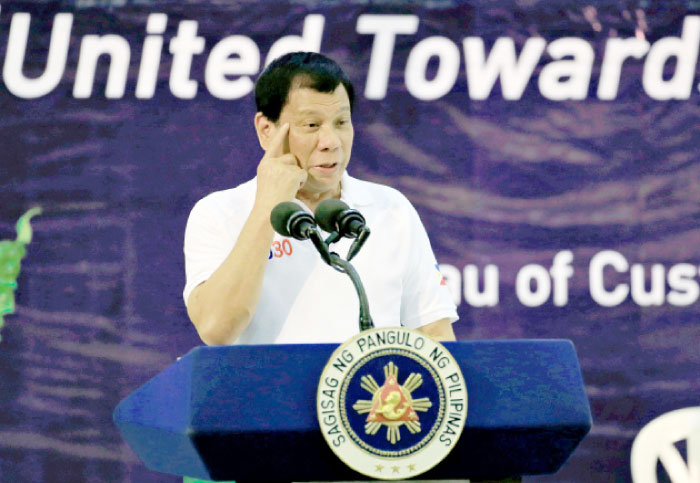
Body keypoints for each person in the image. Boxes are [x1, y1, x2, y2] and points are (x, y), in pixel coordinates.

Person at [183, 52, 457, 345]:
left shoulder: (391, 209)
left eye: (341, 122)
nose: (331, 142)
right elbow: (216, 330)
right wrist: (268, 206)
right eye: (312, 125)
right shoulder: (220, 213)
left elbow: (436, 336)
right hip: (269, 391)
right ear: (266, 130)